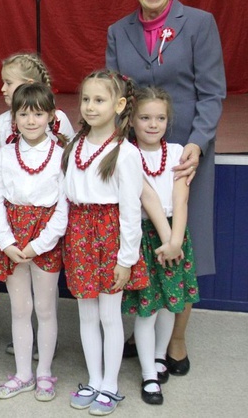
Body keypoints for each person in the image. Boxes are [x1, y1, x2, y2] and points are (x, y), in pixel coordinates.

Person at [105, 0, 226, 375]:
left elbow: (212, 92)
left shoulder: (199, 23)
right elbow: (115, 95)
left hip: (186, 155)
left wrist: (197, 142)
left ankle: (176, 340)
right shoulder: (118, 32)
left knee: (182, 242)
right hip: (136, 153)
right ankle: (144, 330)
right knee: (136, 238)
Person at [60, 71, 149, 414]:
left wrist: (126, 259)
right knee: (86, 314)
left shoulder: (125, 153)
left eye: (99, 100)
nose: (90, 106)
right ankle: (94, 378)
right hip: (80, 234)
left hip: (109, 236)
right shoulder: (74, 146)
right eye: (86, 99)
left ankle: (110, 384)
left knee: (110, 315)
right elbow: (66, 195)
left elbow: (130, 212)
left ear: (119, 105)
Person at [122, 87, 200, 405]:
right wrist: (167, 241)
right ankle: (149, 376)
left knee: (171, 303)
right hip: (145, 237)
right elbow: (146, 199)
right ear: (131, 120)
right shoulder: (126, 154)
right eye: (145, 117)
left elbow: (179, 200)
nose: (153, 124)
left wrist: (176, 241)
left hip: (174, 236)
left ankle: (158, 356)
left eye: (160, 118)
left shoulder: (178, 151)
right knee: (148, 309)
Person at [0, 83, 67, 401]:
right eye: (24, 114)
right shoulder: (4, 155)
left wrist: (41, 243)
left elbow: (65, 205)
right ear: (13, 118)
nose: (31, 120)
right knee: (20, 309)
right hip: (12, 235)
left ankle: (45, 372)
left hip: (46, 237)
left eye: (38, 114)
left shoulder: (62, 155)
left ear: (50, 115)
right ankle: (22, 373)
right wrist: (6, 241)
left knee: (46, 308)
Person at [0, 52, 75, 148]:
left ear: (29, 84)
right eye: (23, 115)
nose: (3, 88)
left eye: (8, 83)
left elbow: (70, 152)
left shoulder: (59, 119)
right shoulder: (2, 121)